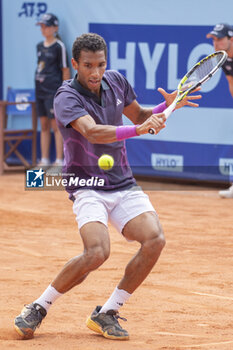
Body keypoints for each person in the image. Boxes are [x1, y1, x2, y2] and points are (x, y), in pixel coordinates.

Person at [14, 33, 201, 341]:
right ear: (75, 64)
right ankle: (38, 306)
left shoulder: (115, 81)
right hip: (86, 184)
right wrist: (139, 129)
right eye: (88, 65)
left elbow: (139, 115)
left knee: (155, 240)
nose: (95, 72)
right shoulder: (65, 97)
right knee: (97, 251)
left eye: (100, 64)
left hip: (122, 181)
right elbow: (92, 132)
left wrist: (166, 108)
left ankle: (107, 312)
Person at [35, 13, 70, 167]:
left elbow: (65, 69)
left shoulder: (59, 47)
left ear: (55, 28)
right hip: (40, 90)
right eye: (42, 26)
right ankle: (44, 160)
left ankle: (59, 160)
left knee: (56, 126)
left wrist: (64, 92)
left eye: (47, 26)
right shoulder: (39, 46)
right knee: (43, 125)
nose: (44, 29)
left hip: (53, 91)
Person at [207, 23, 233, 198]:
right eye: (214, 39)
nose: (216, 43)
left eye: (220, 39)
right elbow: (231, 82)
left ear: (231, 39)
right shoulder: (225, 59)